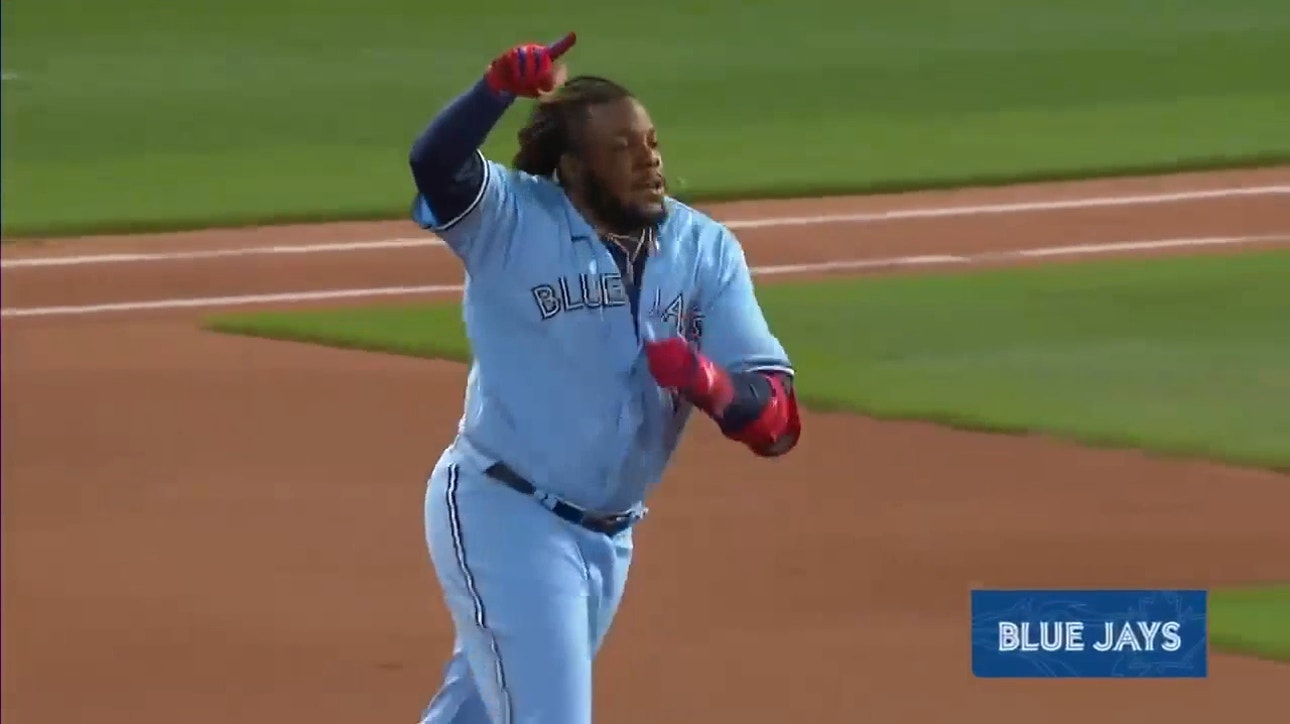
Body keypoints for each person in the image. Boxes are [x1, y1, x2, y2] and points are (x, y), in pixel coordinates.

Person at [407, 32, 801, 724]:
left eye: (650, 142)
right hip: (506, 513)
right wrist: (493, 92)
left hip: (609, 537)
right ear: (574, 168)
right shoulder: (511, 220)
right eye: (622, 148)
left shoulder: (704, 250)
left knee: (478, 713)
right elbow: (436, 167)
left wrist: (711, 384)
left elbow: (777, 421)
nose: (649, 160)